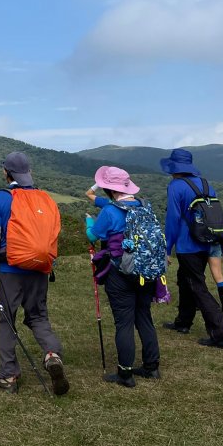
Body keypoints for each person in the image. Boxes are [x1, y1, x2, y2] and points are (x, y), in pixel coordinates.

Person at [0, 151, 68, 396]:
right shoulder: (46, 198)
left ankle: (8, 376)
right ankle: (52, 354)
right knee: (38, 316)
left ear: (6, 172)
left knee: (7, 320)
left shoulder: (2, 198)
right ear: (28, 172)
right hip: (39, 268)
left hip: (9, 269)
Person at [88, 166, 160, 387]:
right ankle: (151, 367)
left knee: (124, 322)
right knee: (144, 317)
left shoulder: (110, 211)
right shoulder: (145, 206)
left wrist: (89, 223)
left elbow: (95, 234)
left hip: (120, 272)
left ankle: (125, 373)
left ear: (109, 189)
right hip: (147, 270)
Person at [159, 149, 223, 349]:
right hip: (209, 241)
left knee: (196, 285)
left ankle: (219, 333)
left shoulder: (175, 186)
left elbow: (172, 219)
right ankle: (183, 322)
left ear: (174, 168)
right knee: (185, 280)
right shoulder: (207, 184)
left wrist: (167, 247)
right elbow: (217, 216)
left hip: (187, 244)